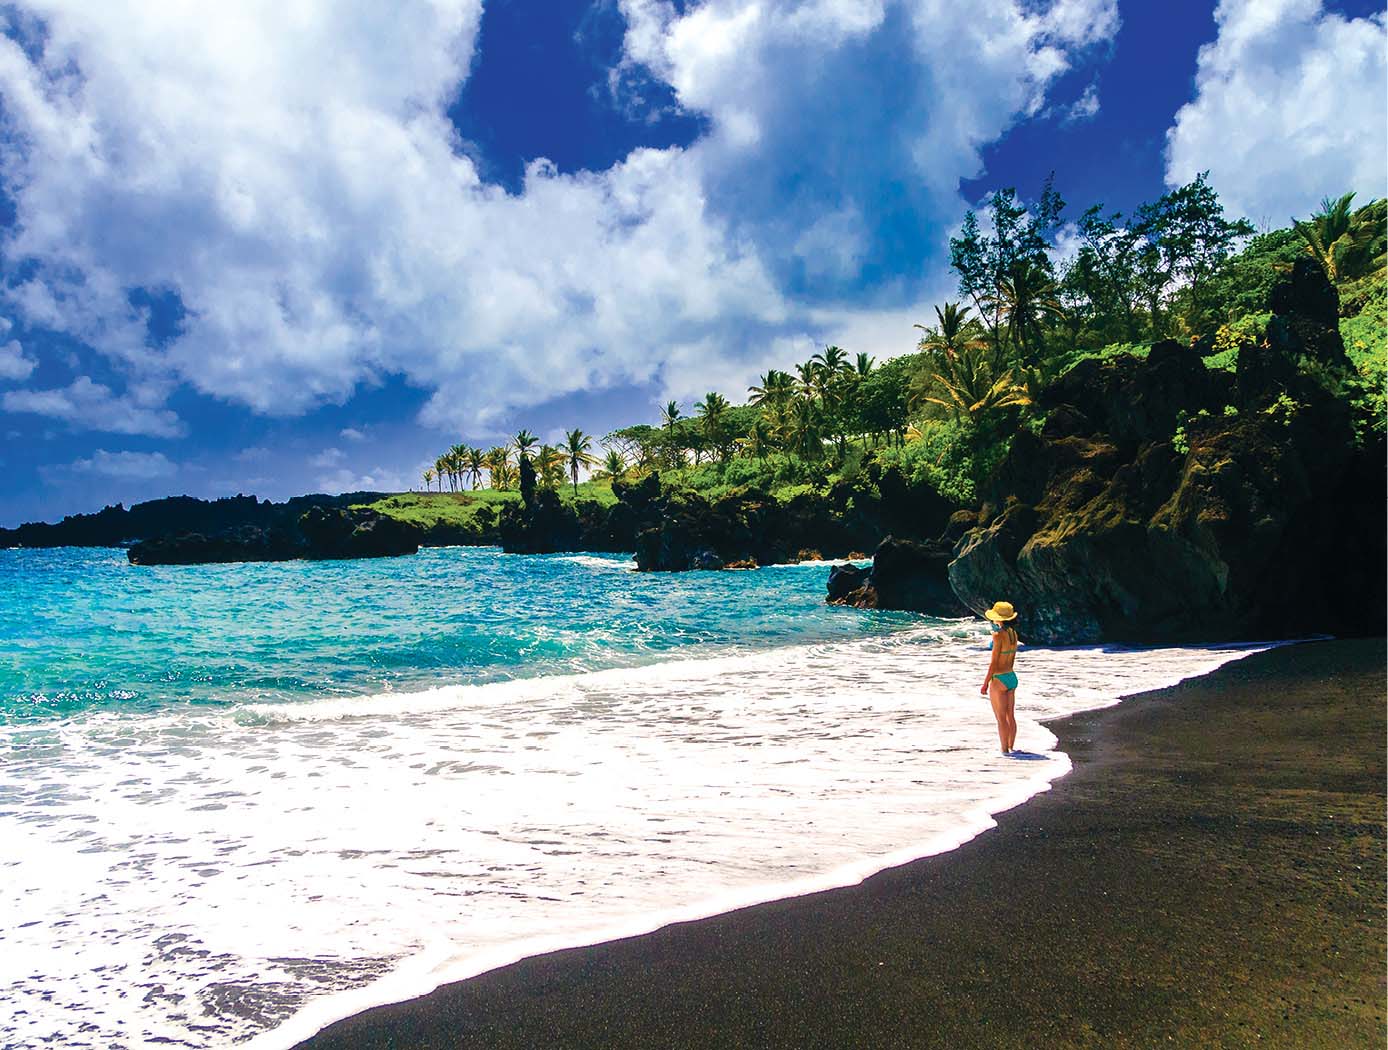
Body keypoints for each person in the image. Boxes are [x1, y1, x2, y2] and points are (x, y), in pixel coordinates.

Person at [979, 600, 1020, 754]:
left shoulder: (998, 636)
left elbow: (994, 663)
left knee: (1001, 718)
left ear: (999, 619)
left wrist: (985, 683)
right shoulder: (1013, 634)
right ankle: (1011, 747)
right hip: (1011, 676)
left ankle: (1004, 751)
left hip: (999, 678)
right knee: (1011, 716)